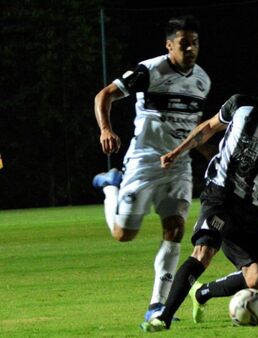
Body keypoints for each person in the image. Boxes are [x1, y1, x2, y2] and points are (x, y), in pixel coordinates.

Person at [140, 66, 258, 332]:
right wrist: (177, 151)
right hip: (219, 195)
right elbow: (208, 128)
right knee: (203, 253)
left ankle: (202, 294)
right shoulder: (240, 104)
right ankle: (163, 317)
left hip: (252, 208)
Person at [91, 15, 211, 321]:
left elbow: (195, 127)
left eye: (195, 43)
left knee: (175, 229)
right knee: (123, 235)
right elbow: (103, 95)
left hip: (178, 163)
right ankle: (110, 187)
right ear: (169, 45)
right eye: (184, 43)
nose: (191, 49)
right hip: (144, 161)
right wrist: (106, 129)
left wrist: (210, 152)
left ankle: (156, 304)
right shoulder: (150, 70)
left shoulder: (202, 80)